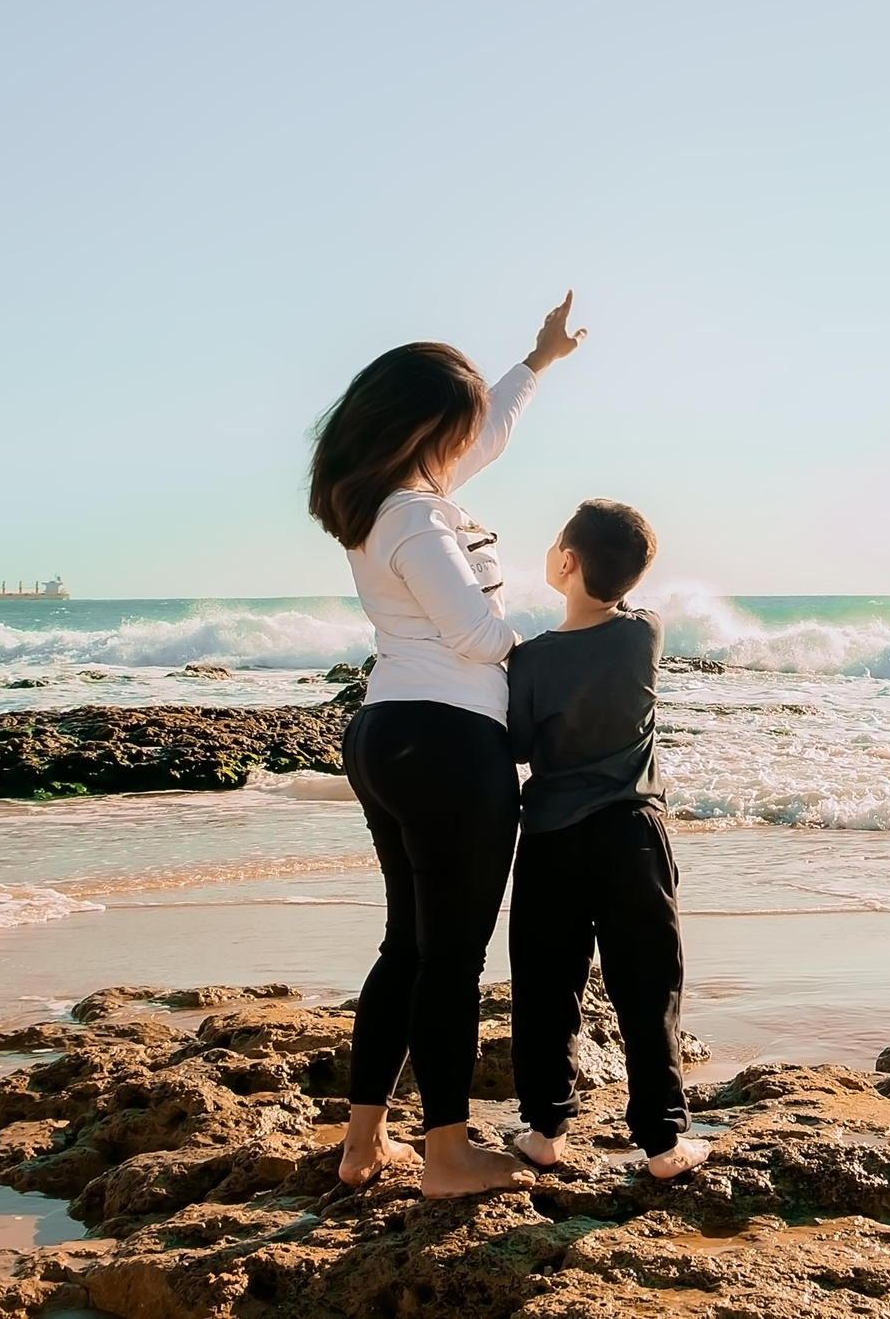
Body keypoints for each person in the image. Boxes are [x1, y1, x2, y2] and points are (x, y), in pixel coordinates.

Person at [307, 293, 585, 1199]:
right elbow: (473, 634)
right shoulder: (418, 518)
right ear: (423, 426)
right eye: (454, 429)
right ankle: (449, 1155)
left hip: (390, 733)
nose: (468, 444)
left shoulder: (389, 500)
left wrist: (537, 362)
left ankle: (363, 1144)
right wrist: (547, 647)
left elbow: (491, 430)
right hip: (449, 742)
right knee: (452, 959)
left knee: (408, 947)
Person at [503, 498, 709, 1180]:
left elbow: (523, 743)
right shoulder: (642, 633)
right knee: (648, 985)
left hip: (553, 839)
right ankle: (662, 1142)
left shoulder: (528, 661)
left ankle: (543, 1130)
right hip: (632, 835)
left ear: (564, 560)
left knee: (545, 986)